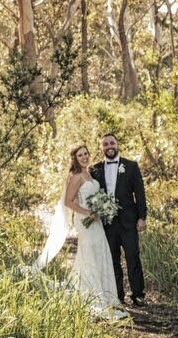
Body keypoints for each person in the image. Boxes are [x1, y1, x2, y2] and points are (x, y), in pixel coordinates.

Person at [57, 145, 125, 319]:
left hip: (97, 221)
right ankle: (92, 296)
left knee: (100, 253)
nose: (84, 157)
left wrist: (103, 208)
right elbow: (68, 202)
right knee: (89, 256)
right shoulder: (76, 177)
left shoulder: (90, 174)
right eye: (80, 155)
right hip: (85, 221)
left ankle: (106, 294)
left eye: (86, 154)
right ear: (75, 158)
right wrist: (88, 213)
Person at [90, 134, 149, 306]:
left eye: (112, 143)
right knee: (112, 260)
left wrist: (142, 217)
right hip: (107, 224)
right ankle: (117, 295)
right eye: (106, 144)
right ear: (102, 147)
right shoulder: (95, 169)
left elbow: (140, 194)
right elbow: (93, 196)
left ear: (117, 145)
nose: (109, 146)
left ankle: (138, 295)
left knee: (133, 257)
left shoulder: (130, 166)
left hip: (129, 222)